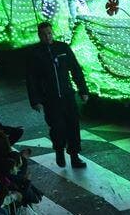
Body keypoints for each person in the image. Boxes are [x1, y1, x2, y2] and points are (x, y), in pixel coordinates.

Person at [26, 22, 89, 168]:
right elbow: (31, 79)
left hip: (67, 95)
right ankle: (59, 151)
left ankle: (74, 155)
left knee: (73, 125)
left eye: (49, 33)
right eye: (43, 34)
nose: (47, 36)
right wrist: (35, 100)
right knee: (57, 127)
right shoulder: (35, 54)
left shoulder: (62, 48)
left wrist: (83, 90)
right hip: (50, 98)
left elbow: (75, 69)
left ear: (52, 33)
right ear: (39, 35)